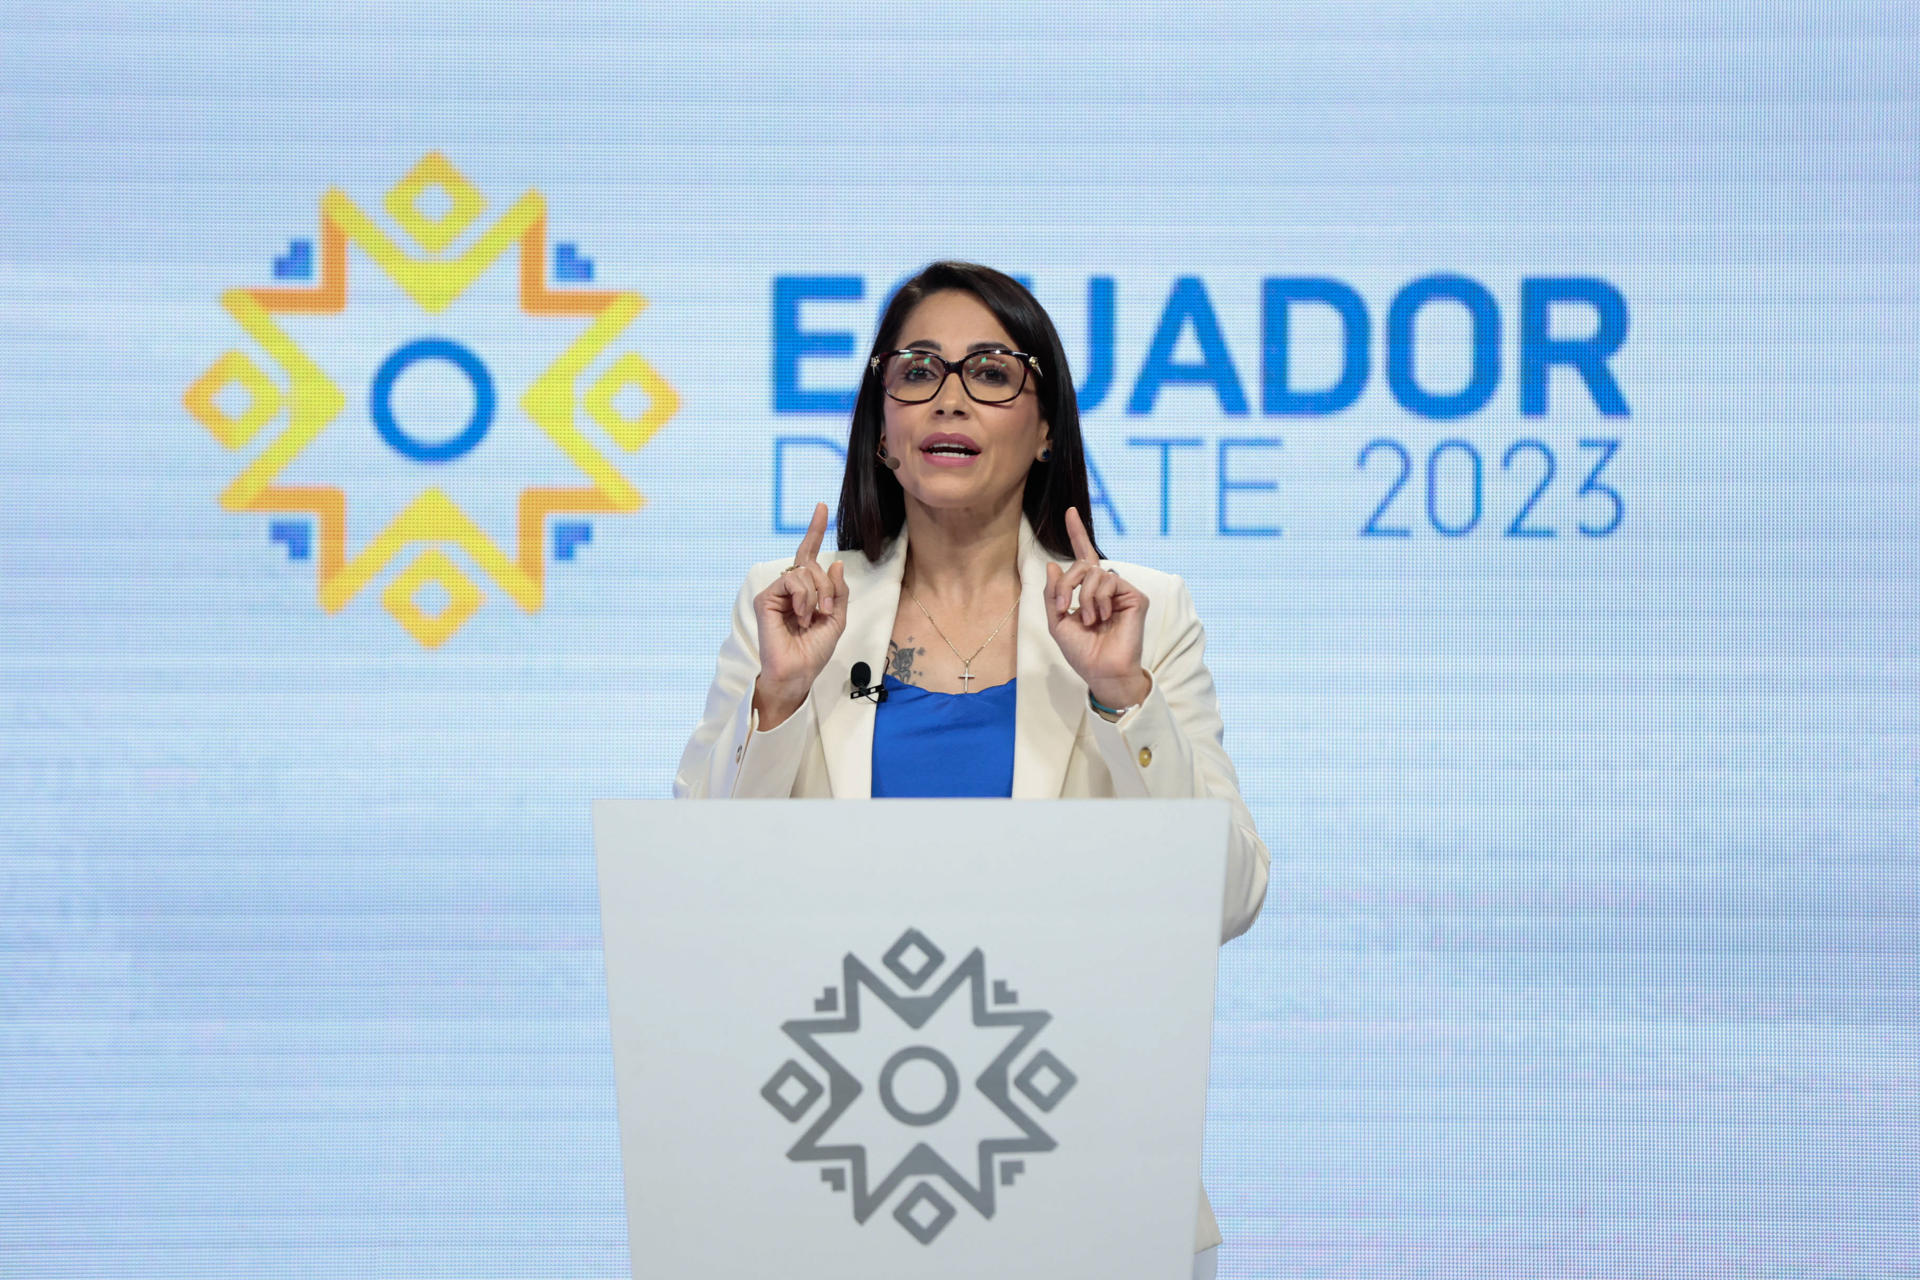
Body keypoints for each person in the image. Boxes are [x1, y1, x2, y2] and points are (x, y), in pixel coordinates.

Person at [676, 261, 1268, 1279]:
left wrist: (1122, 695)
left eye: (992, 370)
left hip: (1084, 1173)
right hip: (835, 1163)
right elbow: (693, 895)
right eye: (916, 370)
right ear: (880, 425)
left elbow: (1226, 894)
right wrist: (779, 701)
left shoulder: (1141, 612)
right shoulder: (786, 605)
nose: (949, 394)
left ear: (1047, 429)